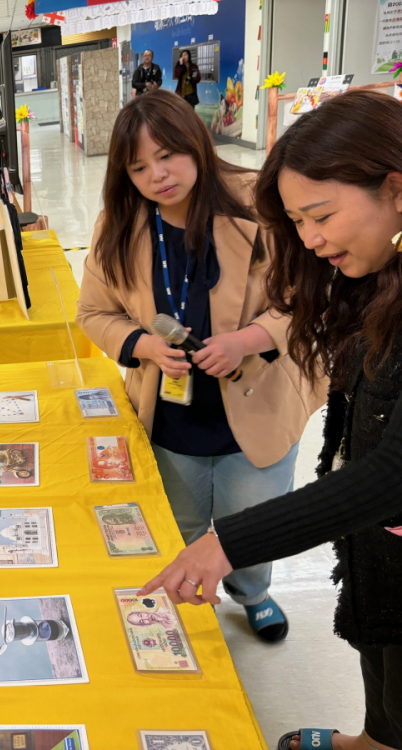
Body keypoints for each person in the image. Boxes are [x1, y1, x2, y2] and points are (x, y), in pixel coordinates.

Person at [140, 90, 402, 750]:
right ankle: (375, 737)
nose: (311, 240)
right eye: (297, 222)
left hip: (365, 496)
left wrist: (228, 543)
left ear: (395, 190)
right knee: (382, 628)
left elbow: (391, 474)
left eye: (321, 216)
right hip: (381, 539)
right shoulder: (374, 275)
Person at [76, 91, 325, 643]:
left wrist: (247, 340)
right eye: (138, 167)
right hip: (170, 415)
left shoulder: (258, 203)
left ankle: (253, 593)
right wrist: (143, 344)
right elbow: (94, 312)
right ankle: (189, 595)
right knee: (179, 522)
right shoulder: (119, 225)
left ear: (197, 143)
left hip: (258, 401)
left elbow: (306, 297)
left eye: (167, 155)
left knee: (252, 520)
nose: (157, 176)